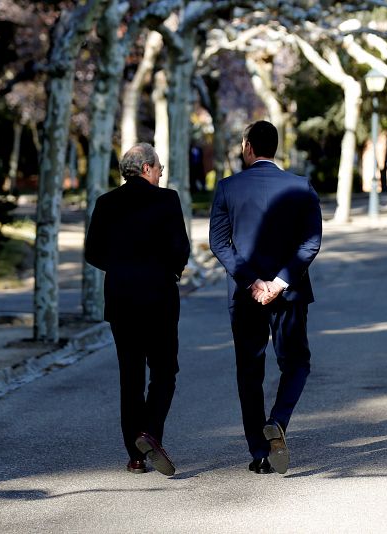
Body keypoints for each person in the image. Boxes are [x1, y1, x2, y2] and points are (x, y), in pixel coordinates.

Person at [209, 121, 322, 475]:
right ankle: (278, 421)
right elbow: (311, 242)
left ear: (248, 147)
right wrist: (279, 282)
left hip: (245, 295)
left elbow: (219, 243)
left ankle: (259, 453)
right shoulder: (301, 186)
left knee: (249, 371)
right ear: (275, 147)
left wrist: (252, 281)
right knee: (296, 363)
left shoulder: (228, 187)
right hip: (289, 293)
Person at [84, 143, 190, 476]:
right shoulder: (167, 199)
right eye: (159, 169)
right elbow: (180, 248)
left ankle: (135, 457)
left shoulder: (105, 202)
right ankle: (151, 433)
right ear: (146, 168)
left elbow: (92, 252)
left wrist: (120, 269)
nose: (160, 174)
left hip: (121, 298)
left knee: (130, 378)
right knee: (164, 371)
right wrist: (170, 271)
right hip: (159, 297)